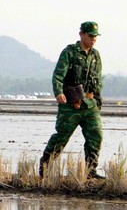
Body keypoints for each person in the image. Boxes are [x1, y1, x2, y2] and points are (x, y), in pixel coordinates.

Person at [39, 21, 104, 179]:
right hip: (70, 105)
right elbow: (58, 75)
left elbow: (98, 81)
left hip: (90, 104)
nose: (93, 39)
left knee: (96, 136)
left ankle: (90, 172)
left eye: (95, 36)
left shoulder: (95, 55)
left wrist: (98, 101)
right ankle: (45, 167)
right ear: (81, 34)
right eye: (90, 35)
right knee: (61, 138)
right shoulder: (70, 52)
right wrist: (58, 92)